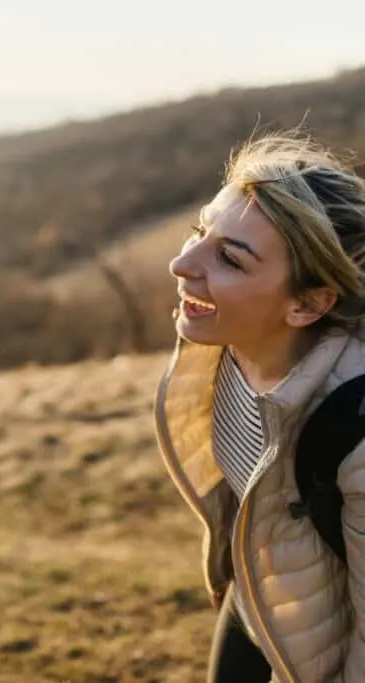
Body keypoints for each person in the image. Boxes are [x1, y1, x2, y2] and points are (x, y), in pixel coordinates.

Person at [156, 131, 365, 681]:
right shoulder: (221, 351)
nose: (182, 263)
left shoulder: (357, 431)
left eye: (228, 257)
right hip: (254, 600)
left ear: (308, 303)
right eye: (200, 230)